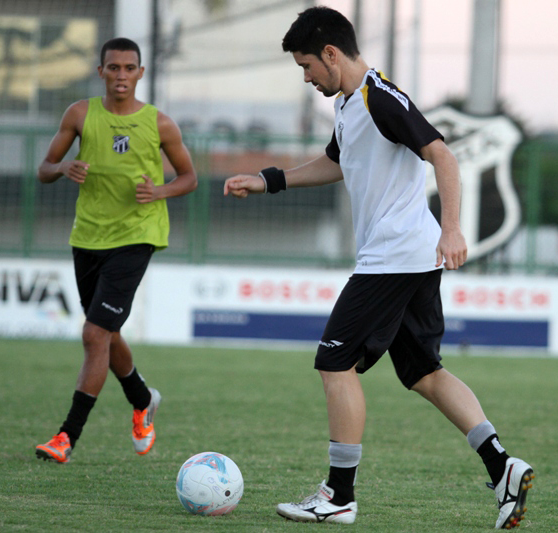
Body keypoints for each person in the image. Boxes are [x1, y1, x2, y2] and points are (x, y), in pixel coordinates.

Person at [223, 6, 533, 530]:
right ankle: (503, 467)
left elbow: (444, 156)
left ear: (330, 53)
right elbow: (337, 162)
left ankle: (339, 495)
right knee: (425, 374)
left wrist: (453, 228)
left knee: (333, 363)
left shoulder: (379, 96)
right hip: (406, 258)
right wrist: (269, 179)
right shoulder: (349, 105)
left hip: (393, 257)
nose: (306, 78)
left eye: (306, 66)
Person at [35, 37, 197, 464]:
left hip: (137, 234)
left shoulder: (159, 124)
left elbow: (189, 178)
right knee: (105, 334)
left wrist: (157, 190)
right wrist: (62, 167)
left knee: (93, 334)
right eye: (114, 68)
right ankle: (142, 400)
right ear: (101, 71)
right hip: (88, 236)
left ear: (140, 73)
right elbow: (44, 169)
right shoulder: (79, 114)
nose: (121, 75)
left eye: (129, 68)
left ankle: (66, 437)